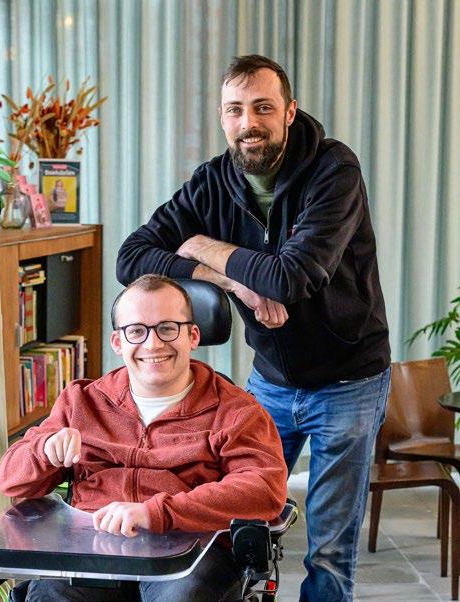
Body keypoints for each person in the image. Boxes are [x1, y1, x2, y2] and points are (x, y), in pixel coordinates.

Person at [116, 55, 391, 601]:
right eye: (235, 110)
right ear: (223, 117)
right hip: (270, 380)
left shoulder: (334, 171)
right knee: (237, 523)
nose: (249, 123)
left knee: (329, 551)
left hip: (349, 381)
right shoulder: (213, 182)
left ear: (289, 111)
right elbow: (132, 257)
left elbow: (291, 277)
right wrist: (232, 281)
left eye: (263, 107)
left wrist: (203, 245)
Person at [0, 274, 287, 602]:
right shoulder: (82, 402)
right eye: (136, 331)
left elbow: (263, 490)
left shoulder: (236, 411)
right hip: (91, 547)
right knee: (50, 594)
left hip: (192, 551)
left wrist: (155, 513)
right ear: (117, 342)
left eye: (167, 328)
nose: (152, 344)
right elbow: (11, 481)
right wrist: (43, 451)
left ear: (192, 336)